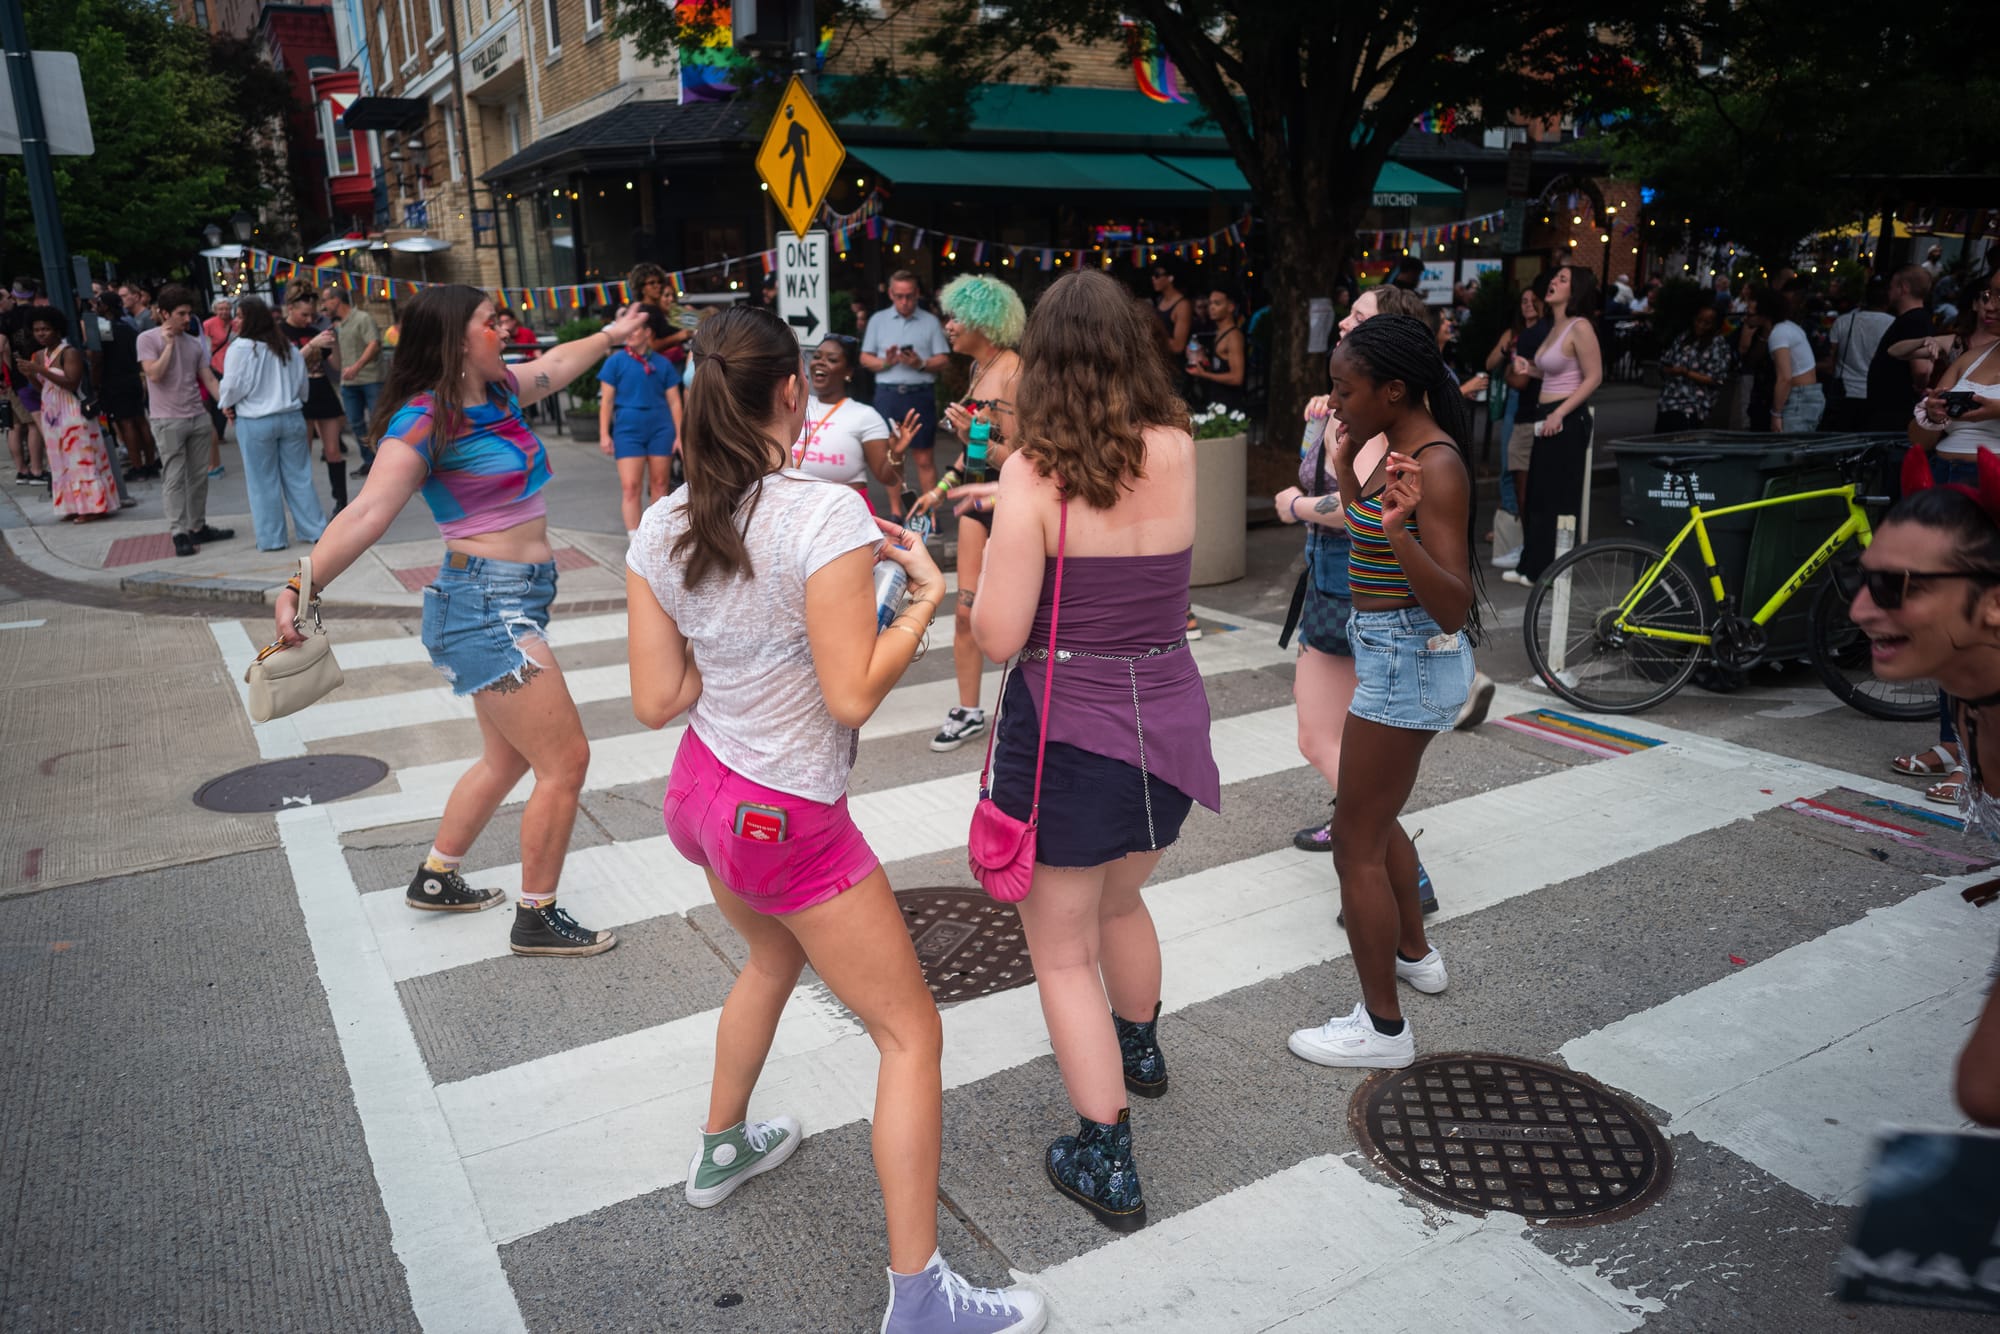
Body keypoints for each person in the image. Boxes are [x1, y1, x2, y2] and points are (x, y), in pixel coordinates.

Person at [623, 305, 1046, 1334]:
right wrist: (922, 598)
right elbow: (850, 693)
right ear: (788, 393)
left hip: (702, 791)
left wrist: (732, 643)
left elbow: (655, 697)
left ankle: (723, 1144)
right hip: (789, 814)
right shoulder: (823, 517)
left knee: (768, 961)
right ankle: (920, 1298)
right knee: (909, 1033)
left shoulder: (662, 521)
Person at [274, 286, 646, 957]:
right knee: (566, 761)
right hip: (485, 610)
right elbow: (365, 514)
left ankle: (437, 876)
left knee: (506, 758)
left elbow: (558, 366)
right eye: (488, 321)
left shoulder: (499, 391)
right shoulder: (423, 422)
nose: (501, 329)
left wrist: (613, 334)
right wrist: (301, 586)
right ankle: (536, 916)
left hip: (515, 600)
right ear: (455, 338)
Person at [969, 269, 1220, 1234]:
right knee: (1125, 897)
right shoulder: (1179, 444)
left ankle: (1105, 1155)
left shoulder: (1036, 472)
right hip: (1170, 711)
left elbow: (998, 636)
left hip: (1072, 725)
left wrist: (987, 527)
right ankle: (1140, 1052)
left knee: (1061, 953)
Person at [1288, 313, 1480, 1070]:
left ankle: (1383, 1031)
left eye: (1346, 390)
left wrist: (1401, 532)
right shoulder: (1395, 450)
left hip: (1409, 655)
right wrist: (1343, 473)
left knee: (1355, 842)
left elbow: (1454, 602)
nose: (1334, 403)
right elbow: (1369, 526)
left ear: (1395, 389)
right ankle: (1414, 955)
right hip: (1390, 652)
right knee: (1374, 817)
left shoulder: (1437, 464)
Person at [1273, 284, 1460, 880]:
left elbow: (1441, 591)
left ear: (1390, 380)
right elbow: (1367, 516)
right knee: (1346, 775)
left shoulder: (1416, 446)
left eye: (1358, 320)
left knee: (1354, 808)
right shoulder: (1362, 416)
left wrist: (1301, 505)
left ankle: (1398, 877)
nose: (1343, 326)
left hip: (1388, 621)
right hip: (1360, 608)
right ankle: (1402, 916)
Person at [1844, 459, 2000, 1125]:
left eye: (1892, 587)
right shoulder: (1968, 690)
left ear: (1993, 602)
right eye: (1862, 580)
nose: (1859, 609)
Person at [1891, 266, 2000, 805]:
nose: (1991, 305)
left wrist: (1994, 408)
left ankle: (1979, 761)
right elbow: (1917, 437)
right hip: (1950, 487)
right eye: (1989, 293)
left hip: (1992, 490)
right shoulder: (1974, 355)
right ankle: (1952, 743)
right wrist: (1934, 412)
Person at [908, 274, 1027, 752]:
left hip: (1013, 505)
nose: (949, 325)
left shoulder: (1016, 373)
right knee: (964, 612)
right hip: (975, 502)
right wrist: (938, 490)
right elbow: (976, 453)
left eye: (958, 317)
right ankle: (969, 710)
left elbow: (1023, 458)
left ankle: (1031, 708)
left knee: (1021, 617)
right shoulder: (980, 371)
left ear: (984, 321)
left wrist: (974, 438)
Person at [1508, 265, 1603, 587]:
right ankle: (1531, 566)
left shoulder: (1581, 327)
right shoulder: (1555, 326)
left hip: (1566, 418)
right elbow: (1553, 373)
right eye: (1554, 277)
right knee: (1537, 494)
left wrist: (1560, 413)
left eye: (1562, 280)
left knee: (1557, 497)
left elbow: (1593, 377)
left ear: (1574, 291)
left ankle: (1548, 571)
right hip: (1547, 413)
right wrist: (1530, 369)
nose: (1553, 282)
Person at [219, 296, 326, 552]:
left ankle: (272, 538)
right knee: (299, 477)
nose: (236, 320)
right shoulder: (286, 346)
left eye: (241, 315)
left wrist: (227, 403)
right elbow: (302, 385)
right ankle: (315, 530)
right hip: (290, 415)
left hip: (255, 420)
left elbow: (233, 386)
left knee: (262, 482)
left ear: (250, 319)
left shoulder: (241, 348)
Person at [138, 285, 233, 558]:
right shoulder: (147, 339)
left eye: (189, 313)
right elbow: (154, 374)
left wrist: (224, 404)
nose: (186, 319)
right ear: (164, 313)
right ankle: (178, 531)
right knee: (174, 477)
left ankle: (197, 526)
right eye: (180, 313)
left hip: (197, 416)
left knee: (199, 476)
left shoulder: (194, 343)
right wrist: (168, 344)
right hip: (167, 420)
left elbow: (209, 378)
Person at [793, 333, 917, 507]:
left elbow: (887, 478)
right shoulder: (796, 406)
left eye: (832, 359)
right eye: (817, 356)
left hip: (844, 515)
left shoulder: (865, 416)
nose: (820, 362)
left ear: (848, 372)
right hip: (798, 511)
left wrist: (896, 453)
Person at [860, 270, 951, 504]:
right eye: (899, 296)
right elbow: (864, 358)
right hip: (888, 394)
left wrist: (920, 363)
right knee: (892, 456)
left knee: (924, 457)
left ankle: (929, 511)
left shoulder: (930, 321)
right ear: (890, 294)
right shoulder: (878, 320)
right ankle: (896, 512)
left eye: (909, 296)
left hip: (919, 394)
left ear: (917, 294)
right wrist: (886, 362)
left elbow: (943, 359)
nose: (905, 302)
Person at [17, 307, 116, 521]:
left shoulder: (69, 352)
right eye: (37, 330)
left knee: (81, 459)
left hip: (72, 411)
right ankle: (72, 504)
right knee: (60, 460)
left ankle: (92, 507)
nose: (41, 333)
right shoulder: (39, 355)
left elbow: (72, 382)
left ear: (57, 329)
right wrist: (31, 374)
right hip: (51, 411)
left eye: (45, 329)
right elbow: (40, 388)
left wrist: (40, 370)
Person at [596, 307, 686, 538]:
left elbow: (675, 402)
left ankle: (654, 535)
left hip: (660, 428)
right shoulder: (614, 363)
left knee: (659, 484)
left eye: (636, 329)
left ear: (648, 333)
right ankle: (634, 538)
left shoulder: (663, 364)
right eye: (629, 329)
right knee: (630, 487)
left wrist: (679, 435)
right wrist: (604, 434)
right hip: (628, 430)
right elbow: (606, 402)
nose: (631, 334)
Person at [1484, 280, 1548, 569]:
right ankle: (1511, 525)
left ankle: (1520, 532)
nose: (1527, 305)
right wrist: (1505, 349)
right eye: (1522, 301)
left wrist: (1514, 371)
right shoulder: (1515, 334)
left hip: (1532, 404)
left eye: (1531, 300)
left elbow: (1521, 378)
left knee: (1523, 469)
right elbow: (1489, 364)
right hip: (1514, 404)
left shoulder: (1546, 334)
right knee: (1510, 467)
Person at [282, 283, 350, 514]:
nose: (309, 319)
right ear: (290, 308)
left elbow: (337, 366)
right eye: (304, 314)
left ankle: (341, 502)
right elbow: (287, 368)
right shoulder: (281, 334)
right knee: (302, 455)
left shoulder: (314, 332)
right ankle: (305, 507)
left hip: (321, 388)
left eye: (312, 315)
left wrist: (333, 341)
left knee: (333, 450)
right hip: (299, 393)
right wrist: (312, 346)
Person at [1863, 266, 1938, 432]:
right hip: (1890, 409)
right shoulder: (1913, 319)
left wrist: (1920, 384)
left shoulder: (1915, 321)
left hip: (1894, 411)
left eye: (1891, 287)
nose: (1888, 292)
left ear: (1903, 288)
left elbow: (1921, 369)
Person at [322, 284, 385, 472]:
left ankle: (386, 463)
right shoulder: (338, 325)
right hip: (348, 383)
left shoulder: (362, 318)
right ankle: (370, 462)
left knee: (378, 421)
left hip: (370, 379)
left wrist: (357, 367)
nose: (324, 305)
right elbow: (338, 362)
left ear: (336, 300)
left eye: (326, 300)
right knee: (356, 423)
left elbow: (374, 344)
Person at [93, 292, 156, 480]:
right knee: (140, 420)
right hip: (132, 377)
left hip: (115, 379)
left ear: (105, 307)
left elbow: (99, 357)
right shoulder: (129, 325)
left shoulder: (105, 327)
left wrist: (96, 382)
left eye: (99, 304)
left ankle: (138, 466)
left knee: (126, 423)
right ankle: (151, 463)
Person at [1822, 279, 1895, 432]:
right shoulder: (1894, 324)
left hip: (1845, 393)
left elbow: (1831, 359)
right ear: (1889, 300)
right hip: (1877, 394)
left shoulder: (1843, 321)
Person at [1653, 304, 1734, 433]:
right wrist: (1668, 370)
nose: (1701, 325)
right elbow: (1665, 363)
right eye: (1698, 320)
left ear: (1715, 325)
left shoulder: (1718, 345)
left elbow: (1715, 379)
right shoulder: (1683, 338)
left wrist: (1686, 373)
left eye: (1707, 323)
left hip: (1693, 404)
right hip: (1668, 400)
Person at [1763, 288, 1824, 433]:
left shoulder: (1779, 333)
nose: (1747, 316)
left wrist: (1776, 414)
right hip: (1810, 395)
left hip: (1799, 397)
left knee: (1788, 452)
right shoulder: (1792, 328)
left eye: (1751, 313)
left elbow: (1785, 378)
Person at [1185, 285, 1248, 413]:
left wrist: (1204, 374)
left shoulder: (1233, 336)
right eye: (1210, 303)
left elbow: (1237, 377)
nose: (1211, 307)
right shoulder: (1219, 332)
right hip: (1216, 401)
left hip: (1230, 405)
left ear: (1230, 307)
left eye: (1217, 303)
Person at [202, 297, 234, 478]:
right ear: (215, 310)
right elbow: (205, 348)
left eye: (226, 308)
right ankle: (220, 432)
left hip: (232, 367)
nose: (224, 312)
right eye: (220, 309)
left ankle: (224, 428)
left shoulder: (235, 324)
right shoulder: (208, 324)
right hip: (216, 367)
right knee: (218, 402)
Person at [1148, 258, 1194, 362]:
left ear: (1170, 277)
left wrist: (1152, 337)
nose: (1153, 279)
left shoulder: (1182, 305)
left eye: (1157, 275)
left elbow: (1178, 346)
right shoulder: (1160, 300)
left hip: (1175, 367)